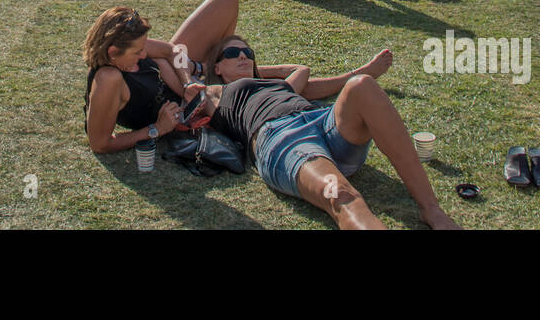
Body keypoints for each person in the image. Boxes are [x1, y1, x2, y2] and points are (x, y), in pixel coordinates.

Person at [195, 40, 459, 229]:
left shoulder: (281, 86)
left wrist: (257, 71)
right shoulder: (214, 93)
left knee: (362, 84)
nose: (243, 56)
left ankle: (432, 210)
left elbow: (300, 71)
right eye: (232, 52)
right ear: (216, 67)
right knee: (343, 196)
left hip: (322, 121)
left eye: (247, 51)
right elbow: (183, 83)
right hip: (284, 139)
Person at [83, 0, 241, 154]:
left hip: (183, 80)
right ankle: (216, 72)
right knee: (247, 84)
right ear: (113, 51)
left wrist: (187, 82)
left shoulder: (126, 47)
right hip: (187, 106)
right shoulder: (108, 79)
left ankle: (209, 70)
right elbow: (100, 144)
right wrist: (156, 129)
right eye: (138, 53)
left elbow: (173, 50)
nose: (144, 55)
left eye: (144, 48)